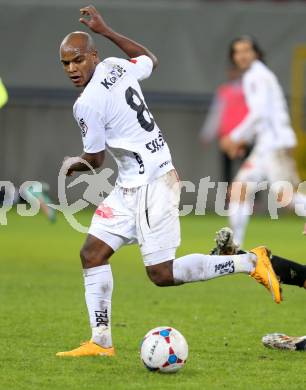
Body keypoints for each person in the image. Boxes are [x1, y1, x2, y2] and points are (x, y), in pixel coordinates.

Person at [56, 6, 282, 358]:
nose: (72, 69)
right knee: (92, 253)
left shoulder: (86, 103)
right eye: (66, 64)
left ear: (93, 57)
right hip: (135, 181)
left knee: (160, 273)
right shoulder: (116, 66)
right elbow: (149, 58)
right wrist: (106, 30)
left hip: (151, 183)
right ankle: (101, 342)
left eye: (78, 60)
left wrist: (73, 163)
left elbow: (95, 160)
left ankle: (251, 262)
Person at [220, 36, 306, 246]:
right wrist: (243, 139)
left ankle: (234, 245)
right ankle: (234, 247)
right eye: (238, 51)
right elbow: (262, 117)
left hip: (275, 145)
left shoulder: (256, 76)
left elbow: (258, 114)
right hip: (265, 145)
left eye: (247, 50)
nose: (242, 55)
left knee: (285, 197)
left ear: (256, 53)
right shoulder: (256, 75)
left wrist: (235, 137)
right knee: (240, 190)